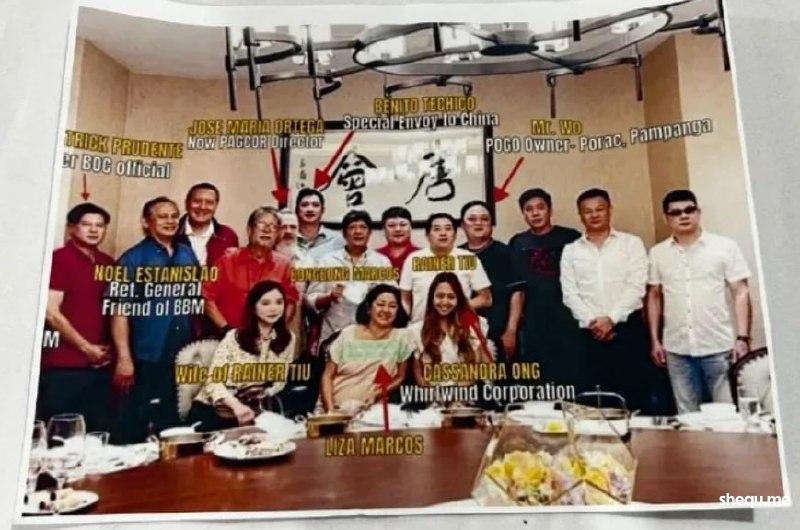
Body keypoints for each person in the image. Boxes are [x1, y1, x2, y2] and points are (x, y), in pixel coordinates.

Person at [560, 189, 668, 412]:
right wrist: (594, 322)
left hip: (627, 330)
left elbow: (637, 285)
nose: (594, 215)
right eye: (588, 211)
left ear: (610, 210)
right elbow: (570, 293)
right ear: (580, 216)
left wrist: (611, 319)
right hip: (588, 334)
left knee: (633, 399)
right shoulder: (571, 250)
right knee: (595, 403)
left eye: (600, 209)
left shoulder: (631, 243)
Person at [647, 189, 752, 413]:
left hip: (718, 346)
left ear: (698, 212)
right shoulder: (658, 253)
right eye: (676, 212)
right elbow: (653, 295)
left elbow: (741, 292)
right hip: (676, 348)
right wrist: (655, 340)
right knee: (687, 415)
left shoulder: (724, 247)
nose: (683, 216)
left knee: (725, 414)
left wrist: (743, 338)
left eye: (689, 210)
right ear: (666, 218)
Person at [111, 197, 200, 442]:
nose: (170, 221)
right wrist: (124, 358)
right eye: (162, 216)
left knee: (175, 418)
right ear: (146, 222)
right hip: (147, 354)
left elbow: (196, 299)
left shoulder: (186, 254)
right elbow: (119, 311)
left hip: (182, 351)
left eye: (174, 216)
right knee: (138, 421)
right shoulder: (133, 258)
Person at [37, 203, 115, 432]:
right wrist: (86, 348)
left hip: (101, 365)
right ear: (71, 228)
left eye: (100, 225)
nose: (94, 230)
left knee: (96, 434)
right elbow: (51, 312)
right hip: (64, 366)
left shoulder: (107, 262)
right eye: (86, 224)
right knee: (62, 434)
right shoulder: (59, 259)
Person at [190, 281, 296, 430]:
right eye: (265, 303)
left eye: (279, 302)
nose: (274, 308)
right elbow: (213, 382)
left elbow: (280, 380)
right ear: (253, 307)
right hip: (217, 410)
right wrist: (236, 405)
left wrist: (263, 393)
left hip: (254, 409)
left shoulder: (288, 338)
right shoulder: (235, 337)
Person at [508, 188, 582, 387]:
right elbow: (517, 288)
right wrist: (512, 328)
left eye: (540, 207)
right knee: (538, 380)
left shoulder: (571, 237)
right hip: (534, 321)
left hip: (569, 318)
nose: (535, 213)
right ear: (523, 214)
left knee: (571, 376)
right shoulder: (518, 242)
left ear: (550, 210)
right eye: (529, 209)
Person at [203, 206, 298, 335]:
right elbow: (207, 299)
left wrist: (275, 332)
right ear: (249, 230)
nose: (267, 230)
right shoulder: (226, 260)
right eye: (261, 224)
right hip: (226, 336)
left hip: (266, 338)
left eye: (273, 226)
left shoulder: (285, 265)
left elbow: (291, 303)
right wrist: (227, 331)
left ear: (277, 235)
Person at [320, 285, 413, 414]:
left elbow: (400, 377)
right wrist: (330, 411)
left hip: (371, 411)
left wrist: (377, 393)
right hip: (333, 407)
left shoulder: (402, 337)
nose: (386, 310)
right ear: (369, 308)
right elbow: (328, 375)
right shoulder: (348, 334)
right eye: (380, 304)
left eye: (392, 306)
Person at [306, 210, 395, 346]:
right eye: (352, 227)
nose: (358, 231)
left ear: (369, 233)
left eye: (363, 227)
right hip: (334, 336)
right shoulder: (327, 261)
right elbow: (310, 299)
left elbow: (394, 299)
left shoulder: (381, 262)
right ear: (344, 233)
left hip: (373, 337)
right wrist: (329, 297)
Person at [459, 200, 525, 359]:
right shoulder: (456, 254)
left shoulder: (505, 252)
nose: (478, 223)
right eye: (472, 219)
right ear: (463, 225)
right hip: (464, 332)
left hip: (499, 331)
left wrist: (511, 330)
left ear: (491, 224)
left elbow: (517, 292)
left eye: (484, 219)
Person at [400, 213, 492, 323]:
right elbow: (404, 298)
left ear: (455, 234)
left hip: (458, 325)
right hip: (421, 326)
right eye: (437, 229)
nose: (443, 233)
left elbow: (486, 299)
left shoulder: (469, 258)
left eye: (448, 229)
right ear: (427, 235)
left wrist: (457, 307)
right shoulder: (413, 259)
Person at [409, 272, 494, 387]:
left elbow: (475, 370)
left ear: (458, 300)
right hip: (432, 394)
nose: (445, 302)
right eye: (440, 296)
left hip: (464, 392)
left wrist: (457, 394)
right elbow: (419, 375)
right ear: (432, 298)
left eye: (451, 297)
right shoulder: (417, 330)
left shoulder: (469, 327)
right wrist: (435, 394)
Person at [175, 182, 239, 266]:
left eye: (209, 202)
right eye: (197, 201)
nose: (202, 207)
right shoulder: (171, 232)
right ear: (187, 203)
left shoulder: (228, 236)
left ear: (216, 206)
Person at [294, 188, 344, 259]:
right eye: (304, 205)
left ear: (323, 210)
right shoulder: (286, 238)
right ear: (296, 210)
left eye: (316, 205)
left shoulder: (337, 239)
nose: (310, 209)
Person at [376, 206, 419, 274]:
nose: (397, 229)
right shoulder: (375, 257)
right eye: (391, 225)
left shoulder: (421, 256)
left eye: (403, 225)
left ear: (411, 227)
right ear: (384, 229)